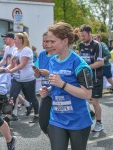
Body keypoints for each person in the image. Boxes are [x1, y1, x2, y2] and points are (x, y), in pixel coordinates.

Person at [39, 22, 93, 150]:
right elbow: (56, 86)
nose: (49, 45)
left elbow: (87, 94)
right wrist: (48, 91)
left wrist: (62, 84)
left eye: (53, 41)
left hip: (78, 121)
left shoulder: (79, 64)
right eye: (48, 41)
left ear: (64, 41)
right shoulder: (52, 60)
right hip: (57, 118)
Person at [6, 32, 39, 123]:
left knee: (32, 97)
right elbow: (11, 64)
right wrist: (7, 69)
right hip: (17, 79)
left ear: (20, 40)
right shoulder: (15, 50)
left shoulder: (26, 50)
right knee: (12, 97)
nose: (14, 40)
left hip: (28, 79)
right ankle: (7, 117)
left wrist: (11, 71)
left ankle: (36, 115)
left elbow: (22, 64)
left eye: (15, 39)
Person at [79, 25, 104, 132]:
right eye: (81, 36)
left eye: (84, 36)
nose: (82, 38)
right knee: (79, 98)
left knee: (94, 102)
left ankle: (99, 123)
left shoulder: (97, 45)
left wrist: (86, 67)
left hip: (96, 78)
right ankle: (91, 113)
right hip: (84, 78)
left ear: (90, 34)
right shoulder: (80, 45)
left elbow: (100, 62)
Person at [34, 32, 54, 134]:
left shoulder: (58, 55)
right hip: (45, 93)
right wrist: (36, 73)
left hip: (58, 92)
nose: (45, 44)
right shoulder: (41, 54)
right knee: (43, 123)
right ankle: (57, 141)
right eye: (43, 41)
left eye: (47, 41)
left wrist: (48, 73)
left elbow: (64, 75)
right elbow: (37, 76)